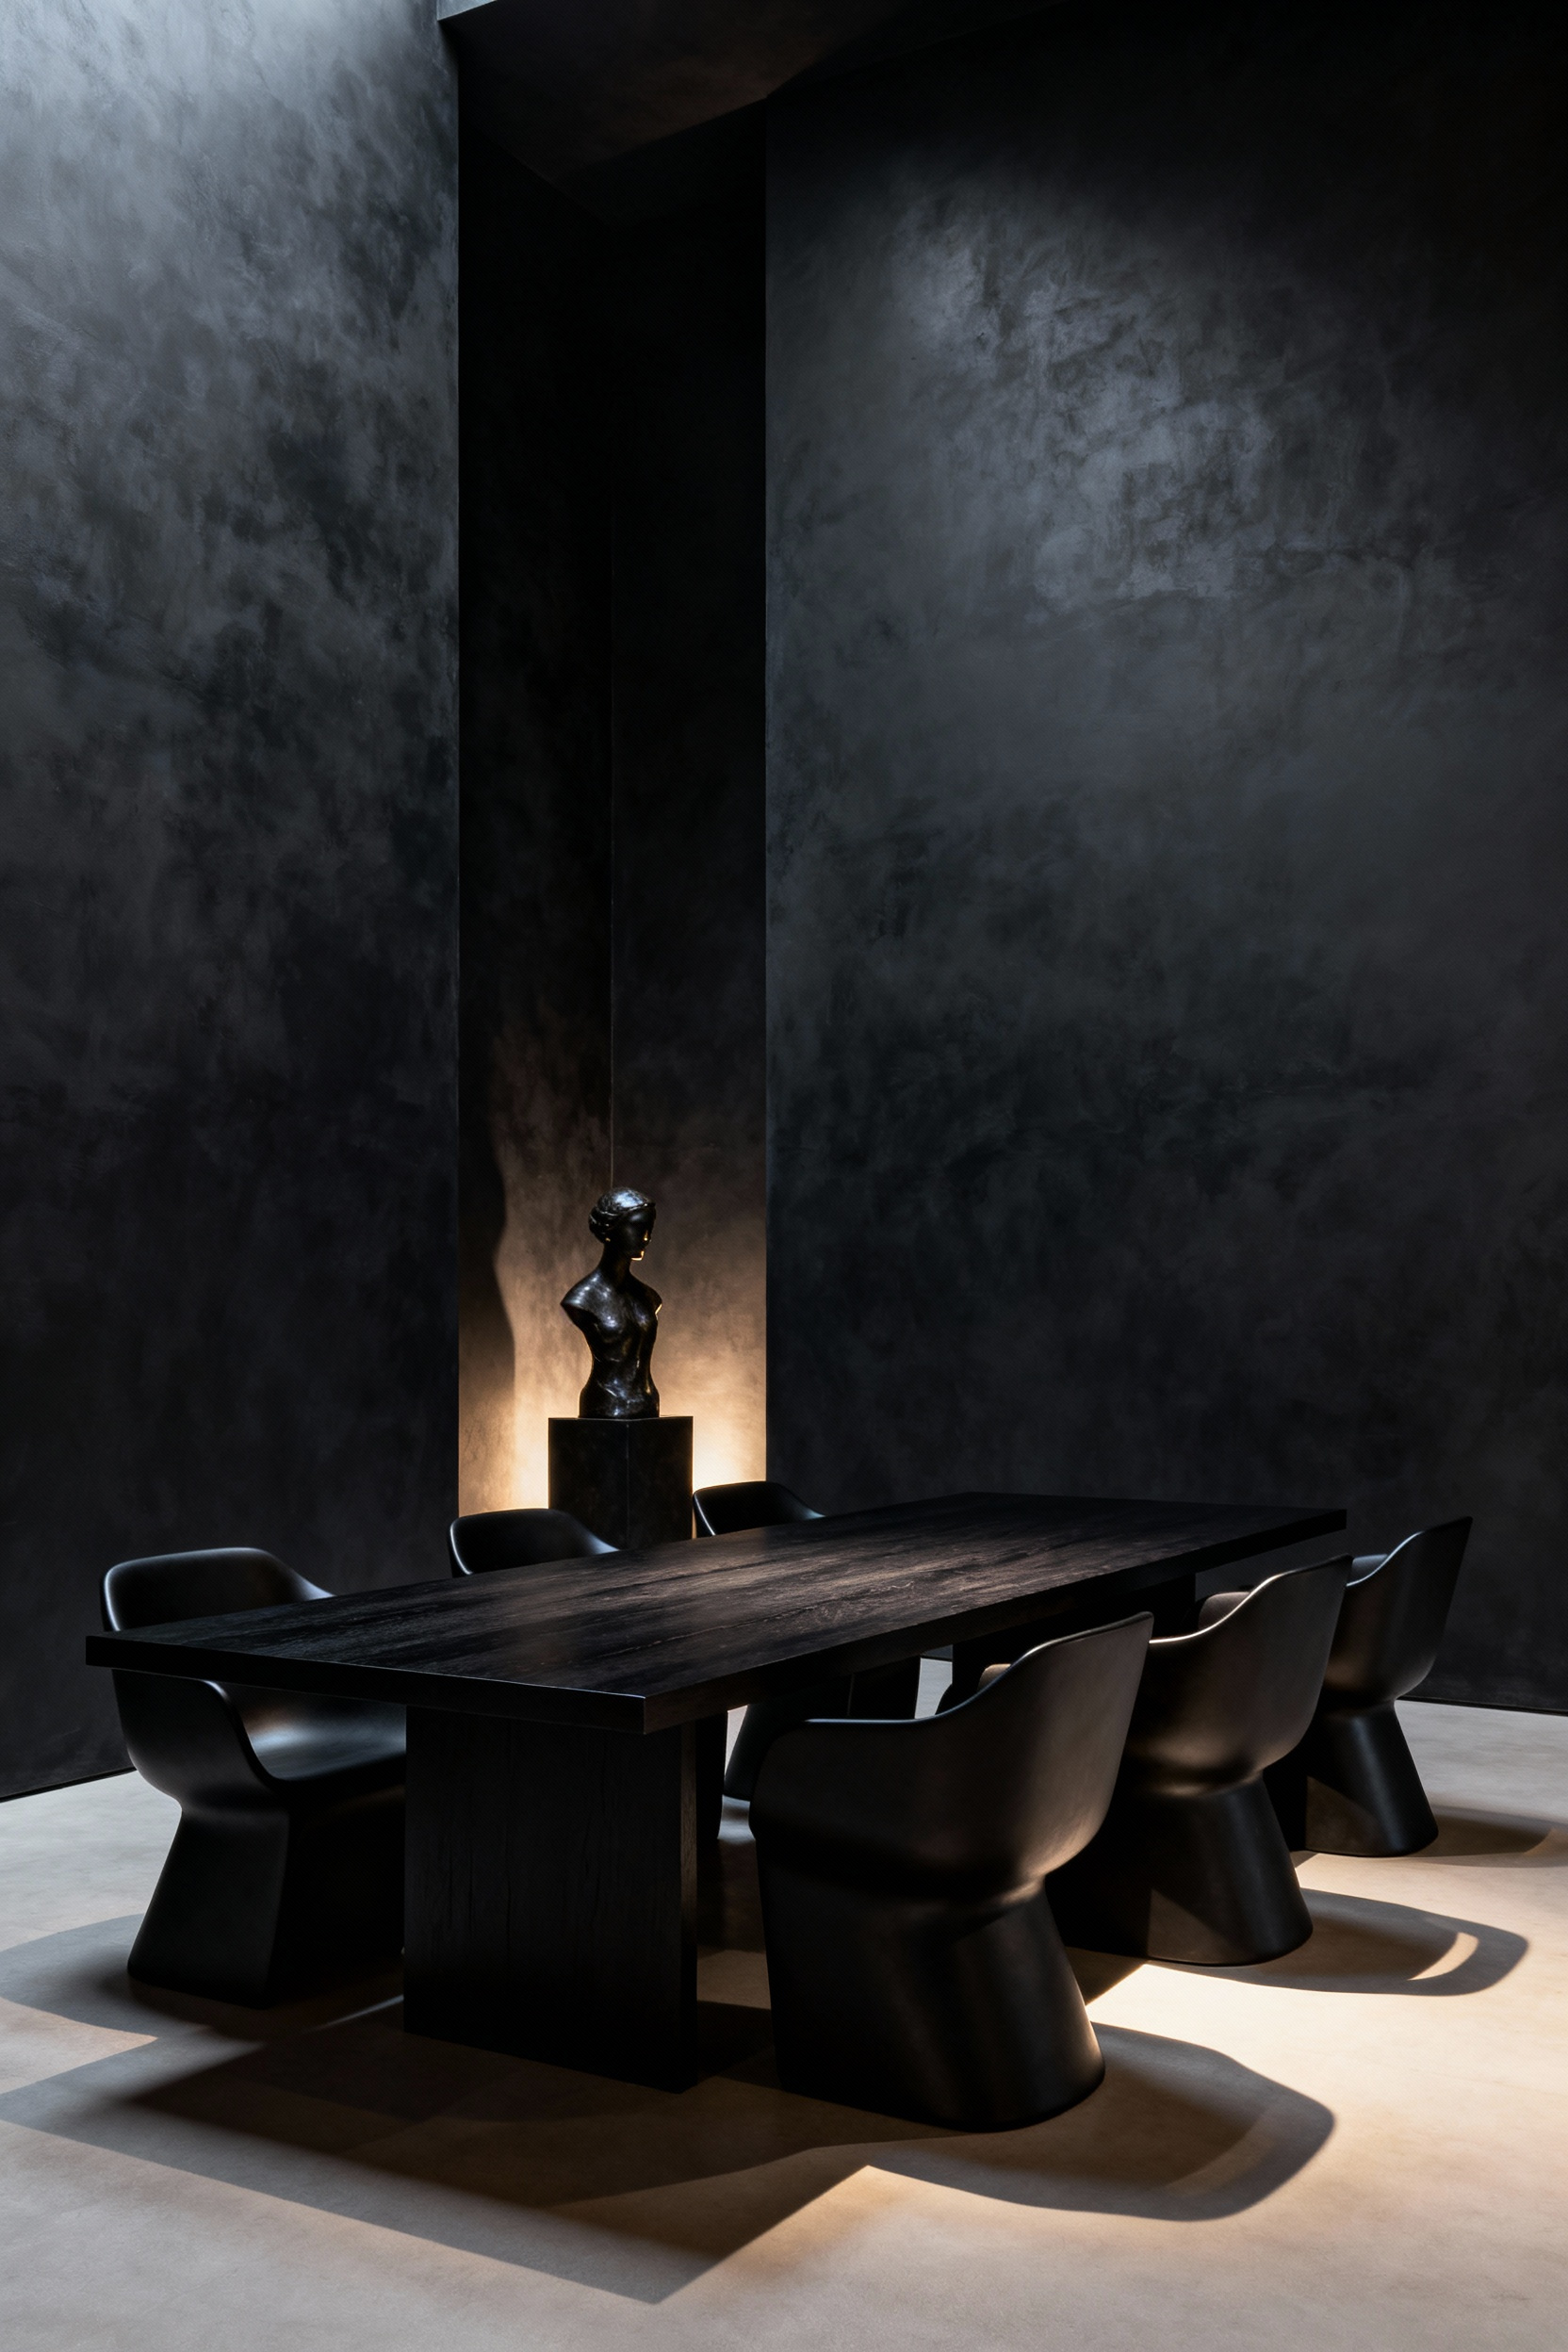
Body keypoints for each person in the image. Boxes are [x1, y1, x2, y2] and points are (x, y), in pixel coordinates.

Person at [561, 1188, 662, 1419]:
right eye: (637, 1228)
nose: (645, 1237)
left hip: (647, 1404)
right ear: (610, 1229)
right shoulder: (582, 1299)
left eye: (649, 1229)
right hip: (606, 1403)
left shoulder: (649, 1297)